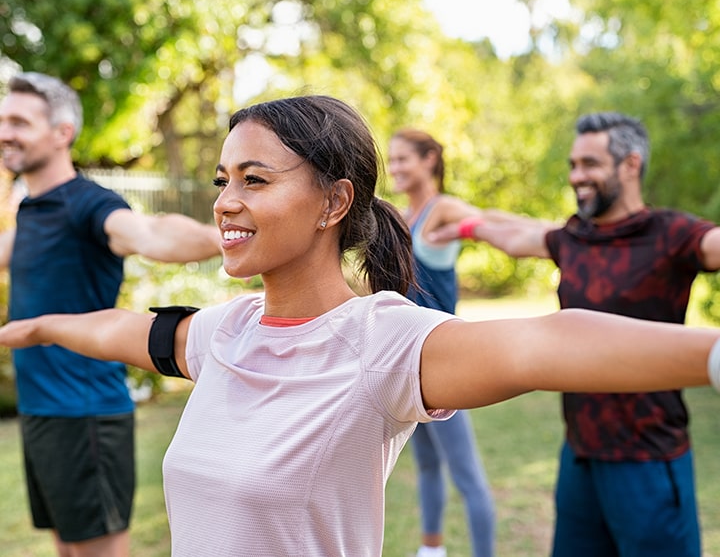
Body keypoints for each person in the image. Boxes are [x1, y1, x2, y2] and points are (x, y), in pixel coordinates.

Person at [0, 96, 718, 557]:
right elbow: (122, 330)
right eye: (222, 180)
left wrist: (714, 354)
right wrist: (34, 328)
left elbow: (545, 342)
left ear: (333, 201)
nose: (225, 201)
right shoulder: (226, 333)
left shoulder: (381, 342)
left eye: (254, 179)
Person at [428, 111, 720, 557]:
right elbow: (515, 236)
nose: (576, 176)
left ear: (630, 165)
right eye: (572, 165)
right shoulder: (572, 237)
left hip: (648, 459)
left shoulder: (671, 234)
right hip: (579, 456)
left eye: (589, 164)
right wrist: (464, 228)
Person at [0, 72, 221, 557]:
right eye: (2, 120)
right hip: (43, 412)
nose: (4, 132)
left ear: (62, 133)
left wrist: (228, 238)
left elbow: (151, 234)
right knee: (68, 549)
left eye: (19, 121)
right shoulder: (34, 210)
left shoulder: (89, 204)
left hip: (85, 414)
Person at [388, 128, 495, 557]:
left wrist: (465, 231)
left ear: (430, 159)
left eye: (403, 160)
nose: (394, 168)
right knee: (428, 465)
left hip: (445, 359)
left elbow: (489, 223)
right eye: (391, 160)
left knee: (466, 473)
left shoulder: (443, 209)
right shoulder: (401, 216)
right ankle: (431, 551)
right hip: (407, 360)